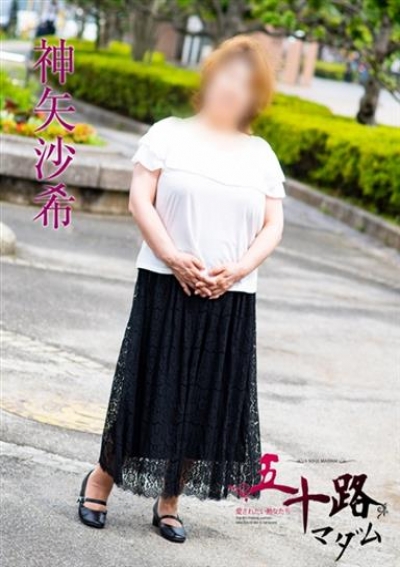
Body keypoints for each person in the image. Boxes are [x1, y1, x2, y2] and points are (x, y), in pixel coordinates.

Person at [77, 35, 285, 544]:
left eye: (245, 82)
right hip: (164, 284)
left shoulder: (260, 154)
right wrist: (172, 256)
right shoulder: (168, 134)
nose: (232, 87)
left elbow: (273, 225)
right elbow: (139, 200)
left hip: (230, 296)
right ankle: (101, 479)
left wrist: (237, 270)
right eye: (226, 75)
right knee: (145, 386)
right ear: (208, 77)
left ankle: (170, 500)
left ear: (255, 95)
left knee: (206, 401)